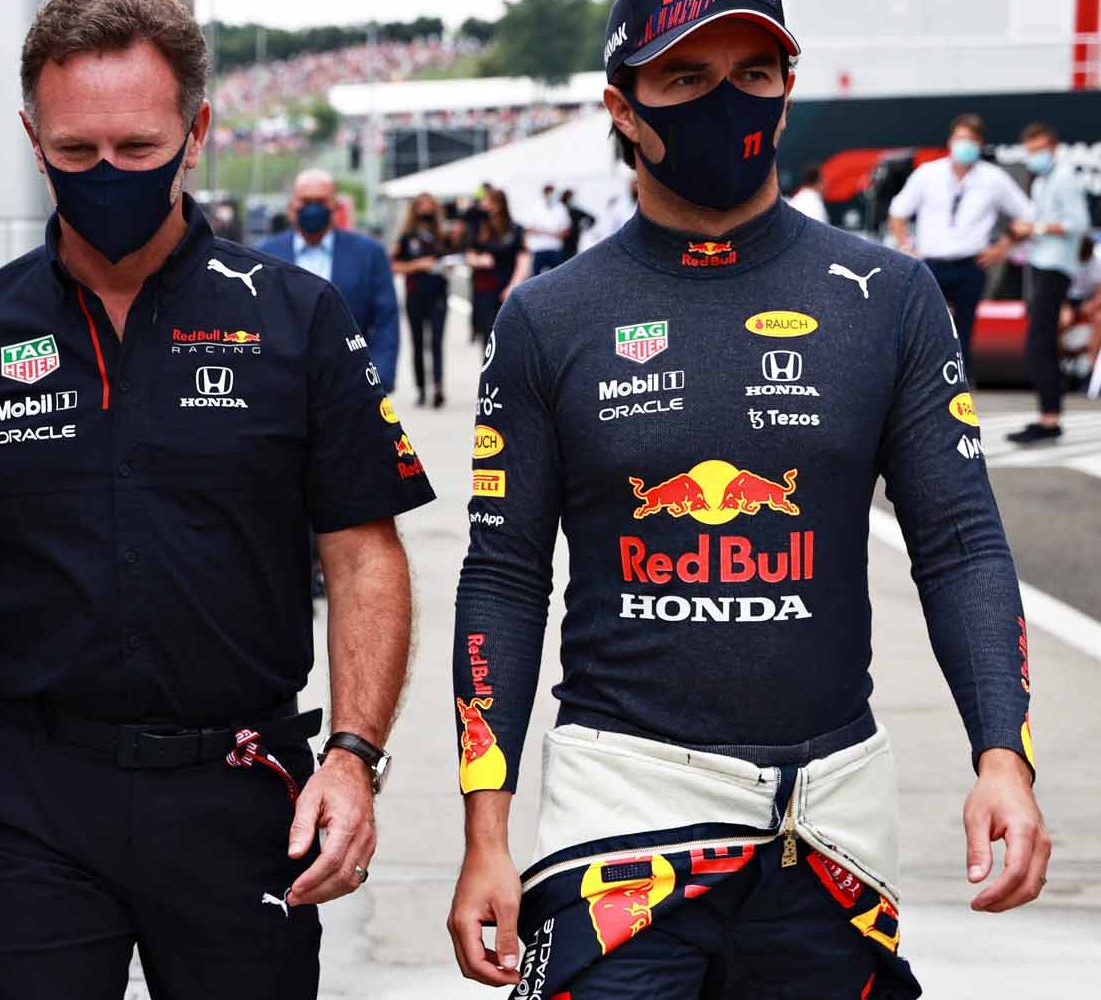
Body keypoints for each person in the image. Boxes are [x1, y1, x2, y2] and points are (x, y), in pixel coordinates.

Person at [448, 4, 1048, 999]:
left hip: (828, 823)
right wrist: (485, 829)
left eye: (754, 73)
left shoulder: (888, 295)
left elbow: (960, 543)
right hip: (619, 819)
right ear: (623, 108)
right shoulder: (547, 317)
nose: (727, 99)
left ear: (787, 89)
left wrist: (1005, 758)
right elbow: (504, 578)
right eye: (686, 79)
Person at [0, 2, 435, 996]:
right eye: (76, 148)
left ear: (198, 134)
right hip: (35, 795)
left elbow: (364, 553)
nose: (107, 172)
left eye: (139, 145)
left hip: (244, 793)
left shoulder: (295, 321)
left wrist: (353, 757)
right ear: (33, 139)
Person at [888, 113, 1034, 380]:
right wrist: (905, 246)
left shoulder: (993, 178)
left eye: (971, 140)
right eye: (960, 138)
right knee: (926, 326)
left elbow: (1026, 215)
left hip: (971, 262)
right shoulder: (928, 174)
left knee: (964, 328)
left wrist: (1001, 249)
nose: (964, 145)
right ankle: (921, 381)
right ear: (950, 141)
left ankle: (960, 383)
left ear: (980, 144)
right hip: (931, 263)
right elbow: (897, 211)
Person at [256, 169, 402, 393]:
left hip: (351, 382)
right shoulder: (264, 255)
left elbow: (386, 319)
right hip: (283, 384)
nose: (313, 208)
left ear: (335, 205)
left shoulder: (369, 253)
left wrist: (381, 375)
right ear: (292, 206)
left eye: (321, 201)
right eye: (306, 201)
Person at [1007, 122, 1091, 446]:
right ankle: (1049, 414)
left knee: (1039, 343)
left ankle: (1049, 418)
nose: (1034, 156)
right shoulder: (1043, 181)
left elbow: (1078, 223)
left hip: (1056, 265)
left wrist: (1034, 228)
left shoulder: (1065, 177)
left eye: (1039, 149)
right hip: (1042, 263)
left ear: (1053, 147)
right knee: (1040, 342)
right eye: (1030, 150)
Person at [393, 192, 454, 407]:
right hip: (415, 293)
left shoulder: (443, 236)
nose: (426, 211)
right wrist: (417, 265)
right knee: (417, 342)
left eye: (430, 207)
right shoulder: (407, 237)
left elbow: (454, 257)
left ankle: (438, 386)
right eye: (422, 207)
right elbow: (394, 265)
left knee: (436, 342)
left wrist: (446, 265)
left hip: (438, 293)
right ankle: (421, 388)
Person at [463, 187, 526, 349]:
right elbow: (469, 256)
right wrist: (479, 261)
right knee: (488, 336)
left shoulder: (515, 229)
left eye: (489, 203)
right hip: (485, 288)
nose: (486, 207)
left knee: (510, 337)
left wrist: (513, 286)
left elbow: (523, 258)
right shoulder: (479, 229)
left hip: (507, 285)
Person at [525, 184, 571, 274]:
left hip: (555, 249)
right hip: (538, 249)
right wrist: (552, 233)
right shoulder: (535, 208)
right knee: (535, 278)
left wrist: (543, 231)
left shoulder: (561, 208)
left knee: (559, 276)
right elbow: (529, 229)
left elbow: (566, 231)